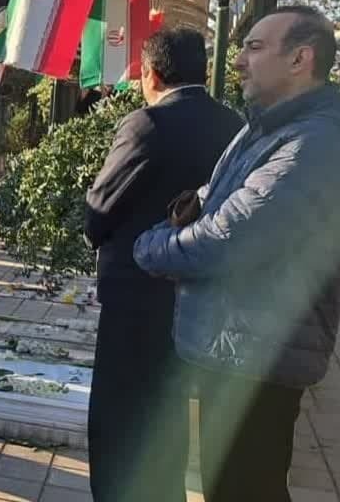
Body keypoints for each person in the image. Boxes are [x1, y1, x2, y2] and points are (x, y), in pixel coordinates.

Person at [134, 7, 340, 502]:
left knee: (244, 488)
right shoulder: (267, 128)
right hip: (235, 348)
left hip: (256, 359)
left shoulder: (316, 143)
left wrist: (148, 247)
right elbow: (206, 201)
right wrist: (172, 229)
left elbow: (226, 240)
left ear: (300, 59)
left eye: (255, 47)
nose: (239, 60)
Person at [83, 28, 243, 502]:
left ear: (150, 74)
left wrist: (93, 232)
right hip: (205, 293)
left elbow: (101, 207)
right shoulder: (234, 126)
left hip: (138, 294)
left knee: (122, 417)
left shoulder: (147, 124)